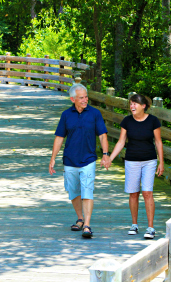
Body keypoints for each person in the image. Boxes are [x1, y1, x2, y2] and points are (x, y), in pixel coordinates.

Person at [49, 83, 110, 238]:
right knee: (73, 191)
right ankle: (80, 219)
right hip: (70, 159)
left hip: (89, 159)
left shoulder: (95, 114)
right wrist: (53, 158)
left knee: (87, 191)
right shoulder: (66, 115)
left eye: (86, 97)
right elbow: (59, 137)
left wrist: (105, 153)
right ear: (72, 99)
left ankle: (87, 225)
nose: (85, 100)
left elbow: (102, 135)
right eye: (81, 98)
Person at [105, 94, 164, 239]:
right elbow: (121, 142)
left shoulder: (153, 121)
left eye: (135, 104)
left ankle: (150, 227)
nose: (132, 106)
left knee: (147, 192)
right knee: (133, 193)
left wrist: (161, 162)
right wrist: (110, 158)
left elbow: (158, 142)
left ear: (143, 106)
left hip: (149, 161)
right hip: (131, 160)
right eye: (131, 104)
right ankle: (134, 224)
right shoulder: (127, 121)